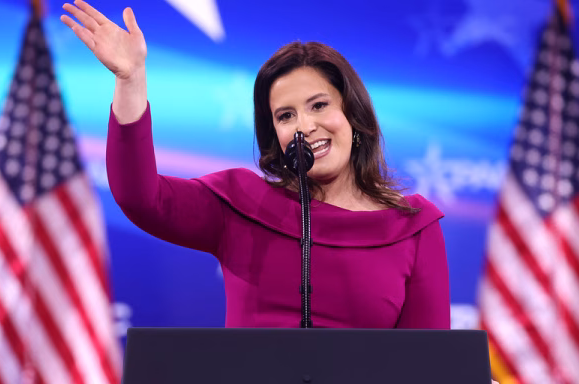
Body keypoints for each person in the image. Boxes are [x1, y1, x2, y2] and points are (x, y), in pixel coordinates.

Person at [60, 0, 449, 329]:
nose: (305, 126)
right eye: (285, 116)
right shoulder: (242, 203)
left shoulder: (411, 225)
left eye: (319, 105)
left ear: (353, 114)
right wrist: (131, 80)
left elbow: (426, 362)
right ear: (275, 136)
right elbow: (140, 197)